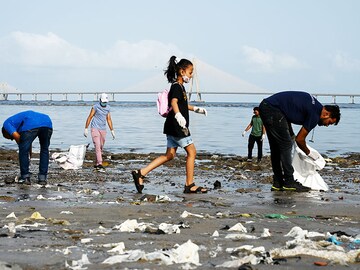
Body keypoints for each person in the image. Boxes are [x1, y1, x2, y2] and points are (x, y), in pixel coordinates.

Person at [131, 56, 208, 194]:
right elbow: (173, 102)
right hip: (178, 127)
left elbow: (182, 104)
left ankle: (141, 173)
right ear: (182, 71)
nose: (191, 76)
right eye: (190, 72)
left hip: (171, 126)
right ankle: (189, 184)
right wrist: (178, 116)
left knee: (170, 155)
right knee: (192, 152)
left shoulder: (180, 87)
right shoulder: (176, 87)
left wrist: (196, 109)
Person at [259, 91, 341, 192]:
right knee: (286, 145)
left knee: (276, 148)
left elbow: (286, 111)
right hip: (273, 110)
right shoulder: (315, 114)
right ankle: (289, 182)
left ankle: (278, 182)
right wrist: (309, 153)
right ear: (326, 114)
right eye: (329, 122)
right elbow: (300, 139)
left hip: (266, 106)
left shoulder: (315, 106)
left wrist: (291, 133)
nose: (327, 125)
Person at [2, 110, 53, 185]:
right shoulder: (17, 122)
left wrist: (24, 149)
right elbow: (28, 142)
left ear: (6, 132)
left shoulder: (6, 124)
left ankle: (25, 177)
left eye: (10, 138)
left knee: (23, 150)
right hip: (47, 122)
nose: (12, 139)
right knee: (44, 149)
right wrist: (29, 152)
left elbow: (18, 138)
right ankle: (42, 178)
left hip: (31, 123)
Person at [84, 93, 115, 172]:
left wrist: (112, 130)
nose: (104, 103)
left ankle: (97, 163)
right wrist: (86, 128)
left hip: (103, 129)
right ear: (100, 100)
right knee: (97, 145)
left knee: (100, 146)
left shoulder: (108, 108)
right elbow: (90, 116)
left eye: (105, 102)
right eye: (103, 101)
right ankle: (100, 163)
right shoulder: (95, 107)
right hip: (95, 128)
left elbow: (108, 119)